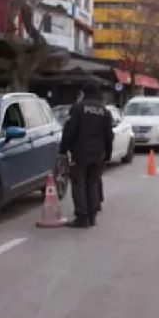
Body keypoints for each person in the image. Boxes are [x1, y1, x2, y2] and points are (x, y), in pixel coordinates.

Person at [59, 82, 112, 228]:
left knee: (79, 184)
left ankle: (82, 216)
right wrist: (108, 154)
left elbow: (69, 130)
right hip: (97, 154)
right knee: (93, 183)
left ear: (84, 92)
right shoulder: (104, 111)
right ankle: (92, 215)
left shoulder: (78, 108)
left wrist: (63, 150)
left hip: (80, 153)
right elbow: (109, 135)